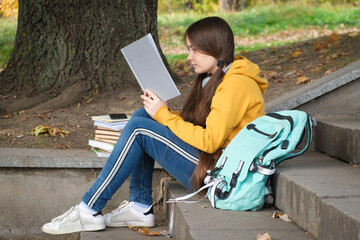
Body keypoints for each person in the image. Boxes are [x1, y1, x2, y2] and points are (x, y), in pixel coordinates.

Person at [42, 16, 268, 235]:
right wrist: (163, 112)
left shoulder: (235, 84)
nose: (189, 56)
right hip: (213, 162)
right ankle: (140, 206)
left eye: (195, 49)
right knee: (144, 116)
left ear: (215, 46)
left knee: (140, 129)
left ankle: (88, 209)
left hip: (221, 176)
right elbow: (205, 122)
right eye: (189, 49)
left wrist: (165, 116)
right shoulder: (218, 77)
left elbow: (210, 141)